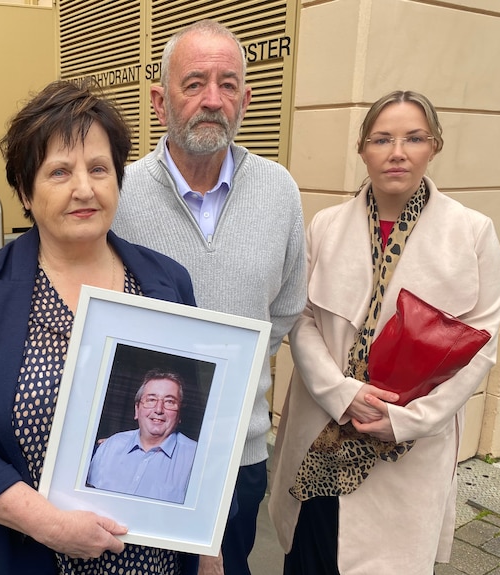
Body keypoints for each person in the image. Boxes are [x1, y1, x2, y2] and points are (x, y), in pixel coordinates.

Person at [0, 80, 199, 574]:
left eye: (99, 169)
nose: (83, 188)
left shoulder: (167, 282)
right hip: (29, 556)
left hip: (155, 564)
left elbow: (208, 432)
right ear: (24, 189)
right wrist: (48, 523)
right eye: (59, 171)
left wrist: (208, 555)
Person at [268, 90, 500, 574]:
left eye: (414, 138)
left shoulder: (472, 232)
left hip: (407, 447)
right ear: (362, 149)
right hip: (324, 431)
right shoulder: (326, 225)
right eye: (382, 139)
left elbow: (482, 346)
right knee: (311, 554)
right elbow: (303, 318)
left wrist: (407, 421)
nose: (397, 152)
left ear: (434, 146)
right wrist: (342, 392)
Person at [111, 20, 307, 574]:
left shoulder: (279, 191)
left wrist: (229, 370)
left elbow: (289, 305)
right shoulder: (119, 193)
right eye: (194, 83)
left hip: (237, 451)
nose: (212, 100)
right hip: (138, 447)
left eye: (228, 84)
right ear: (159, 100)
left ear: (245, 98)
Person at [87, 369, 198, 504]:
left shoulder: (196, 460)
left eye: (169, 402)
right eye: (151, 399)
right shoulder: (110, 446)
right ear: (137, 409)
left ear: (179, 414)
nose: (158, 409)